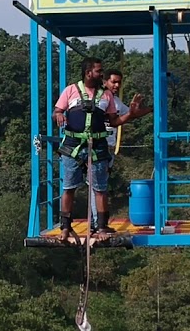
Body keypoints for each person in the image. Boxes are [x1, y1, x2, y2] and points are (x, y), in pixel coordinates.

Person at [53, 58, 139, 237]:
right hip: (73, 146)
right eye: (99, 71)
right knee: (69, 187)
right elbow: (57, 111)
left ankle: (101, 227)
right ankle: (65, 227)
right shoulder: (71, 90)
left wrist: (131, 114)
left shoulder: (106, 95)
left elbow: (114, 121)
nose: (102, 74)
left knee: (100, 188)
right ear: (88, 72)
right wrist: (59, 114)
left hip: (98, 145)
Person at [103, 68, 153, 155]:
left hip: (109, 146)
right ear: (105, 82)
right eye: (114, 82)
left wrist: (151, 109)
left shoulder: (117, 102)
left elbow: (130, 115)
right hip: (96, 146)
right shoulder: (96, 99)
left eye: (119, 82)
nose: (117, 85)